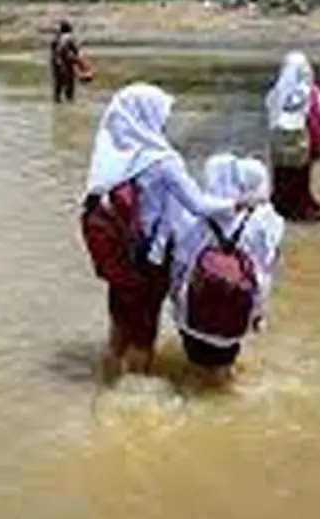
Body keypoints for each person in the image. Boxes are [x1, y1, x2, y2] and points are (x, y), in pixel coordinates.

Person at [79, 83, 265, 377]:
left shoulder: (111, 157)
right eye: (162, 114)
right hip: (147, 259)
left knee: (120, 314)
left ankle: (111, 371)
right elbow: (200, 205)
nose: (166, 121)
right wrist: (240, 202)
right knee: (143, 329)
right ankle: (136, 391)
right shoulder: (164, 161)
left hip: (119, 255)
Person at [168, 153, 286, 385]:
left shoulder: (193, 213)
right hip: (237, 313)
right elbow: (265, 269)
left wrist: (175, 302)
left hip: (191, 312)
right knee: (223, 372)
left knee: (194, 371)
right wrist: (258, 314)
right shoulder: (267, 221)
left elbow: (179, 265)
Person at [265, 50, 320, 222]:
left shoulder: (278, 91)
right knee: (300, 179)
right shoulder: (312, 92)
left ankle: (281, 208)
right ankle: (301, 209)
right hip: (303, 145)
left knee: (282, 177)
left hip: (280, 146)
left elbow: (269, 111)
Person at [49, 20, 81, 103]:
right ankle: (70, 104)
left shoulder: (55, 39)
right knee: (69, 89)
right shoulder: (69, 38)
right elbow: (76, 51)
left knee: (58, 88)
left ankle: (57, 104)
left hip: (56, 65)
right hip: (67, 65)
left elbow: (53, 53)